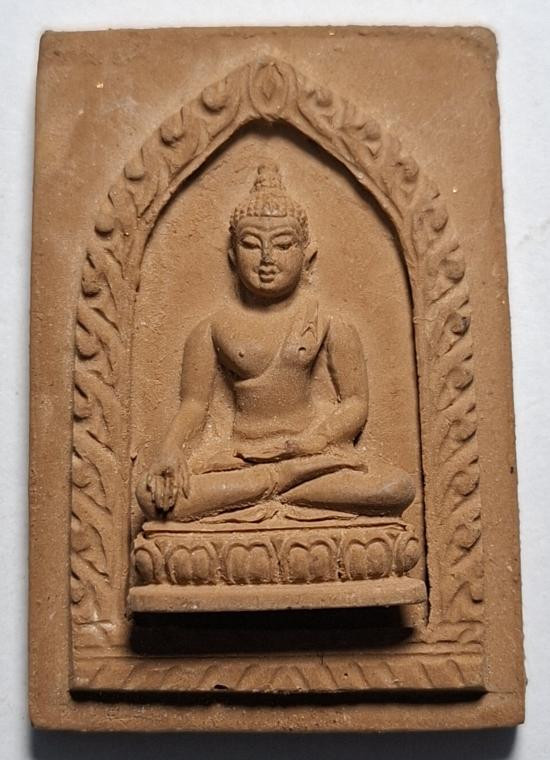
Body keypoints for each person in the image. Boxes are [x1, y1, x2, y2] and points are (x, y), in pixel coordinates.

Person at [136, 162, 414, 522]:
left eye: (283, 245)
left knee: (395, 487)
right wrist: (170, 451)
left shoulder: (328, 323)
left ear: (307, 255)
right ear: (233, 256)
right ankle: (283, 485)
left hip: (310, 455)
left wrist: (319, 439)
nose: (267, 259)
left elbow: (356, 402)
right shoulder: (211, 328)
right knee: (153, 499)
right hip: (238, 457)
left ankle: (271, 486)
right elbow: (194, 405)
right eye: (252, 245)